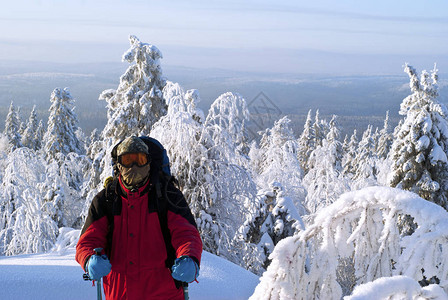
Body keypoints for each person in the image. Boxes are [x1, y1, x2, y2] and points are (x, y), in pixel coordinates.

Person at [76, 136, 203, 299]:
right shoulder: (106, 200)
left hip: (164, 294)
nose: (134, 166)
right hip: (121, 294)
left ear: (149, 163)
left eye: (140, 160)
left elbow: (186, 234)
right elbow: (88, 241)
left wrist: (189, 257)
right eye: (128, 160)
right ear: (119, 165)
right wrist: (89, 259)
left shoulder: (167, 196)